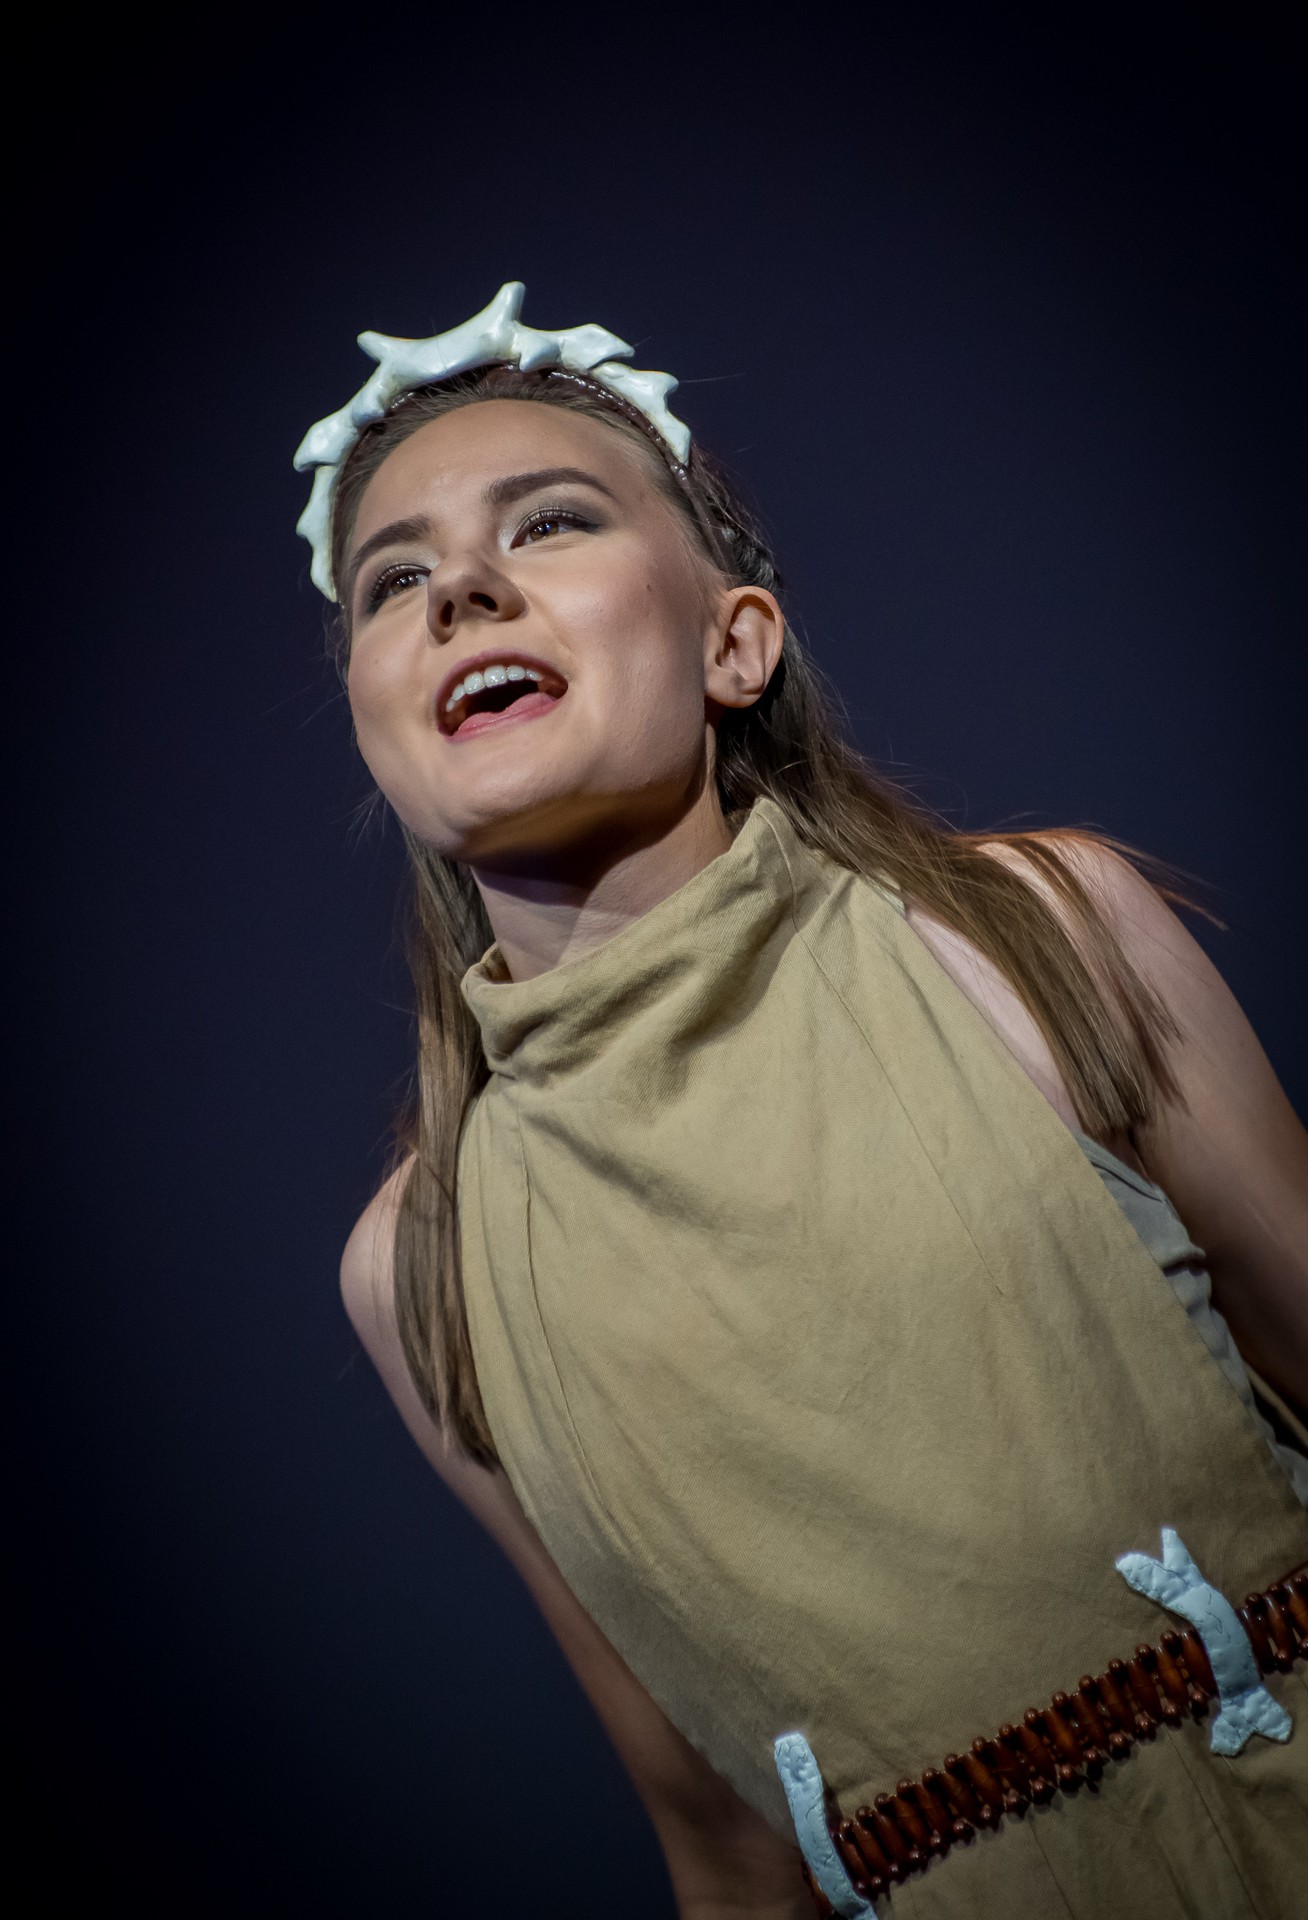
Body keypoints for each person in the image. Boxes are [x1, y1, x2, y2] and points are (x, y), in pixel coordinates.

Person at [296, 286, 1308, 1917]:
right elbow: (722, 1842)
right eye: (391, 581)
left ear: (735, 642)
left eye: (547, 523)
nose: (460, 589)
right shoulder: (425, 1263)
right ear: (374, 720)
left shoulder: (1030, 939)